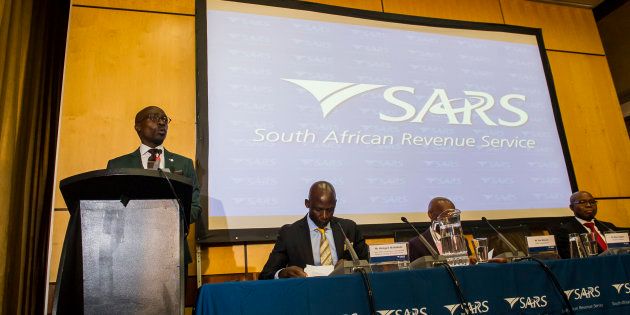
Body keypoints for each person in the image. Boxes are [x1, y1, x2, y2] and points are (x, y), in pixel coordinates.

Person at [106, 106, 201, 263]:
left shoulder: (184, 164)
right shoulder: (118, 165)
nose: (162, 123)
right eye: (154, 117)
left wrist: (172, 220)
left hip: (173, 252)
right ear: (138, 126)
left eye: (164, 119)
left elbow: (195, 205)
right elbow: (111, 208)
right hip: (130, 251)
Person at [259, 181, 369, 279]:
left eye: (330, 210)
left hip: (343, 291)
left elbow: (367, 266)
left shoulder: (348, 228)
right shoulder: (290, 233)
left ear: (335, 204)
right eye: (319, 210)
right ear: (307, 203)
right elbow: (266, 274)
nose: (325, 216)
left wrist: (349, 265)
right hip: (306, 294)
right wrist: (283, 273)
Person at [554, 191, 617, 259]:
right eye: (582, 202)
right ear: (572, 207)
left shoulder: (608, 226)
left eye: (592, 202)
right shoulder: (565, 231)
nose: (588, 205)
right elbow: (570, 258)